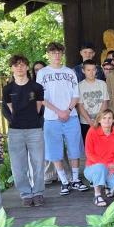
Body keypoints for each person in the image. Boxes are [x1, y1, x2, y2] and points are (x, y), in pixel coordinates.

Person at [36, 42, 88, 196]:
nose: (57, 56)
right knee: (55, 151)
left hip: (71, 116)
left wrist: (68, 110)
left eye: (59, 53)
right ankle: (64, 181)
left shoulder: (70, 72)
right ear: (48, 55)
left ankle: (76, 179)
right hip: (52, 118)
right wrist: (58, 111)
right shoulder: (42, 73)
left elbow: (76, 95)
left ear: (62, 54)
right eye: (53, 53)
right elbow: (41, 97)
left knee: (74, 149)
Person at [2, 54, 45, 207]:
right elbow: (7, 110)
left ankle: (38, 193)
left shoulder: (37, 87)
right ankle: (26, 194)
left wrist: (33, 120)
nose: (19, 67)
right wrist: (16, 121)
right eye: (16, 65)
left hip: (34, 130)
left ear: (27, 67)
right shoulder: (7, 89)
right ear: (12, 68)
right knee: (18, 166)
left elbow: (39, 108)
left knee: (38, 163)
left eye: (22, 64)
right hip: (15, 131)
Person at [84, 109, 114, 206]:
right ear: (99, 120)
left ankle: (106, 185)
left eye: (110, 118)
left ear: (113, 120)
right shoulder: (92, 131)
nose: (107, 120)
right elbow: (89, 153)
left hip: (112, 167)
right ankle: (97, 195)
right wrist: (106, 165)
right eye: (104, 118)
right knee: (100, 168)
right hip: (94, 167)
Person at [77, 59, 109, 144]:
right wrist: (89, 121)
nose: (91, 73)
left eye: (93, 70)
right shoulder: (79, 86)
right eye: (88, 70)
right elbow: (80, 106)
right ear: (83, 71)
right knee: (88, 145)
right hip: (85, 121)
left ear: (96, 70)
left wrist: (98, 119)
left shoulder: (102, 84)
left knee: (102, 144)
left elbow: (105, 103)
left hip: (101, 121)